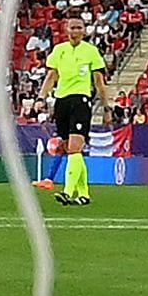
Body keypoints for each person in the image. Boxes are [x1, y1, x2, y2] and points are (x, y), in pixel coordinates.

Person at [43, 27, 108, 206]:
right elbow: (51, 76)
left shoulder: (91, 51)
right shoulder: (59, 50)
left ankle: (67, 191)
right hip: (61, 101)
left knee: (74, 147)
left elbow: (99, 82)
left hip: (80, 100)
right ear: (67, 30)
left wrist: (106, 107)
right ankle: (84, 194)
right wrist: (41, 97)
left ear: (84, 31)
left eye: (79, 28)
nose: (75, 31)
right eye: (73, 27)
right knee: (68, 147)